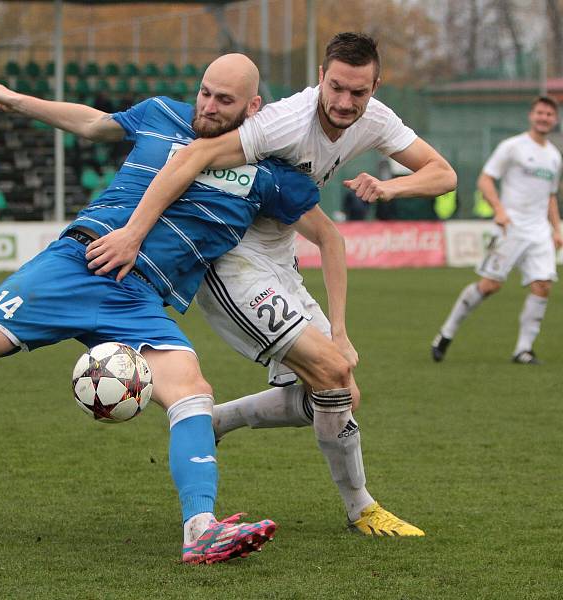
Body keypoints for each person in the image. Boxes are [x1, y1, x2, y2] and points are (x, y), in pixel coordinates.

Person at [0, 54, 317, 564]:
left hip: (139, 296)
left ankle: (200, 529)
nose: (207, 106)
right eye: (205, 92)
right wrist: (17, 101)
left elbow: (322, 175)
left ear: (255, 107)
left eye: (224, 100)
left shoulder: (268, 176)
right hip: (79, 260)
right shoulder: (162, 114)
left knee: (192, 392)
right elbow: (91, 122)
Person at [86, 32, 458, 536]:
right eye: (336, 88)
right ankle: (362, 509)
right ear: (320, 78)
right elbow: (192, 157)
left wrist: (391, 185)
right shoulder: (282, 122)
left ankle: (217, 422)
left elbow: (443, 174)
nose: (345, 102)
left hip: (280, 263)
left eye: (359, 92)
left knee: (340, 393)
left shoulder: (376, 118)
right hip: (232, 263)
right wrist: (133, 233)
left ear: (375, 86)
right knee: (330, 375)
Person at [431, 96, 561, 365]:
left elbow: (550, 196)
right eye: (540, 113)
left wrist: (556, 228)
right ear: (531, 115)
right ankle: (446, 333)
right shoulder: (512, 147)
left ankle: (523, 350)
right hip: (511, 228)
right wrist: (499, 211)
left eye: (549, 114)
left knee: (543, 285)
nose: (544, 118)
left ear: (555, 120)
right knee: (490, 285)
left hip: (539, 232)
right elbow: (485, 179)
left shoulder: (554, 157)